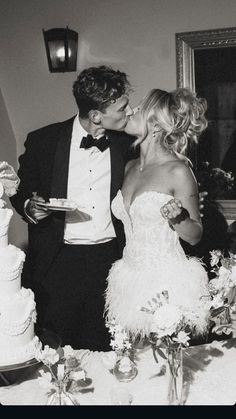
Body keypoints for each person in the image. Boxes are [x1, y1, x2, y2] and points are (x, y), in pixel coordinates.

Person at [10, 65, 138, 351]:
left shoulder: (129, 144)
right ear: (95, 116)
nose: (128, 113)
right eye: (121, 108)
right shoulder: (43, 141)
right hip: (57, 264)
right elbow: (20, 189)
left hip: (111, 260)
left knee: (108, 347)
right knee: (58, 349)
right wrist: (30, 207)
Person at [105, 87, 210, 341]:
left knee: (165, 369)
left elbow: (195, 235)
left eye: (139, 109)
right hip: (128, 280)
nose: (131, 111)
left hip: (166, 285)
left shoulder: (178, 171)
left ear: (155, 125)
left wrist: (179, 218)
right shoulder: (129, 166)